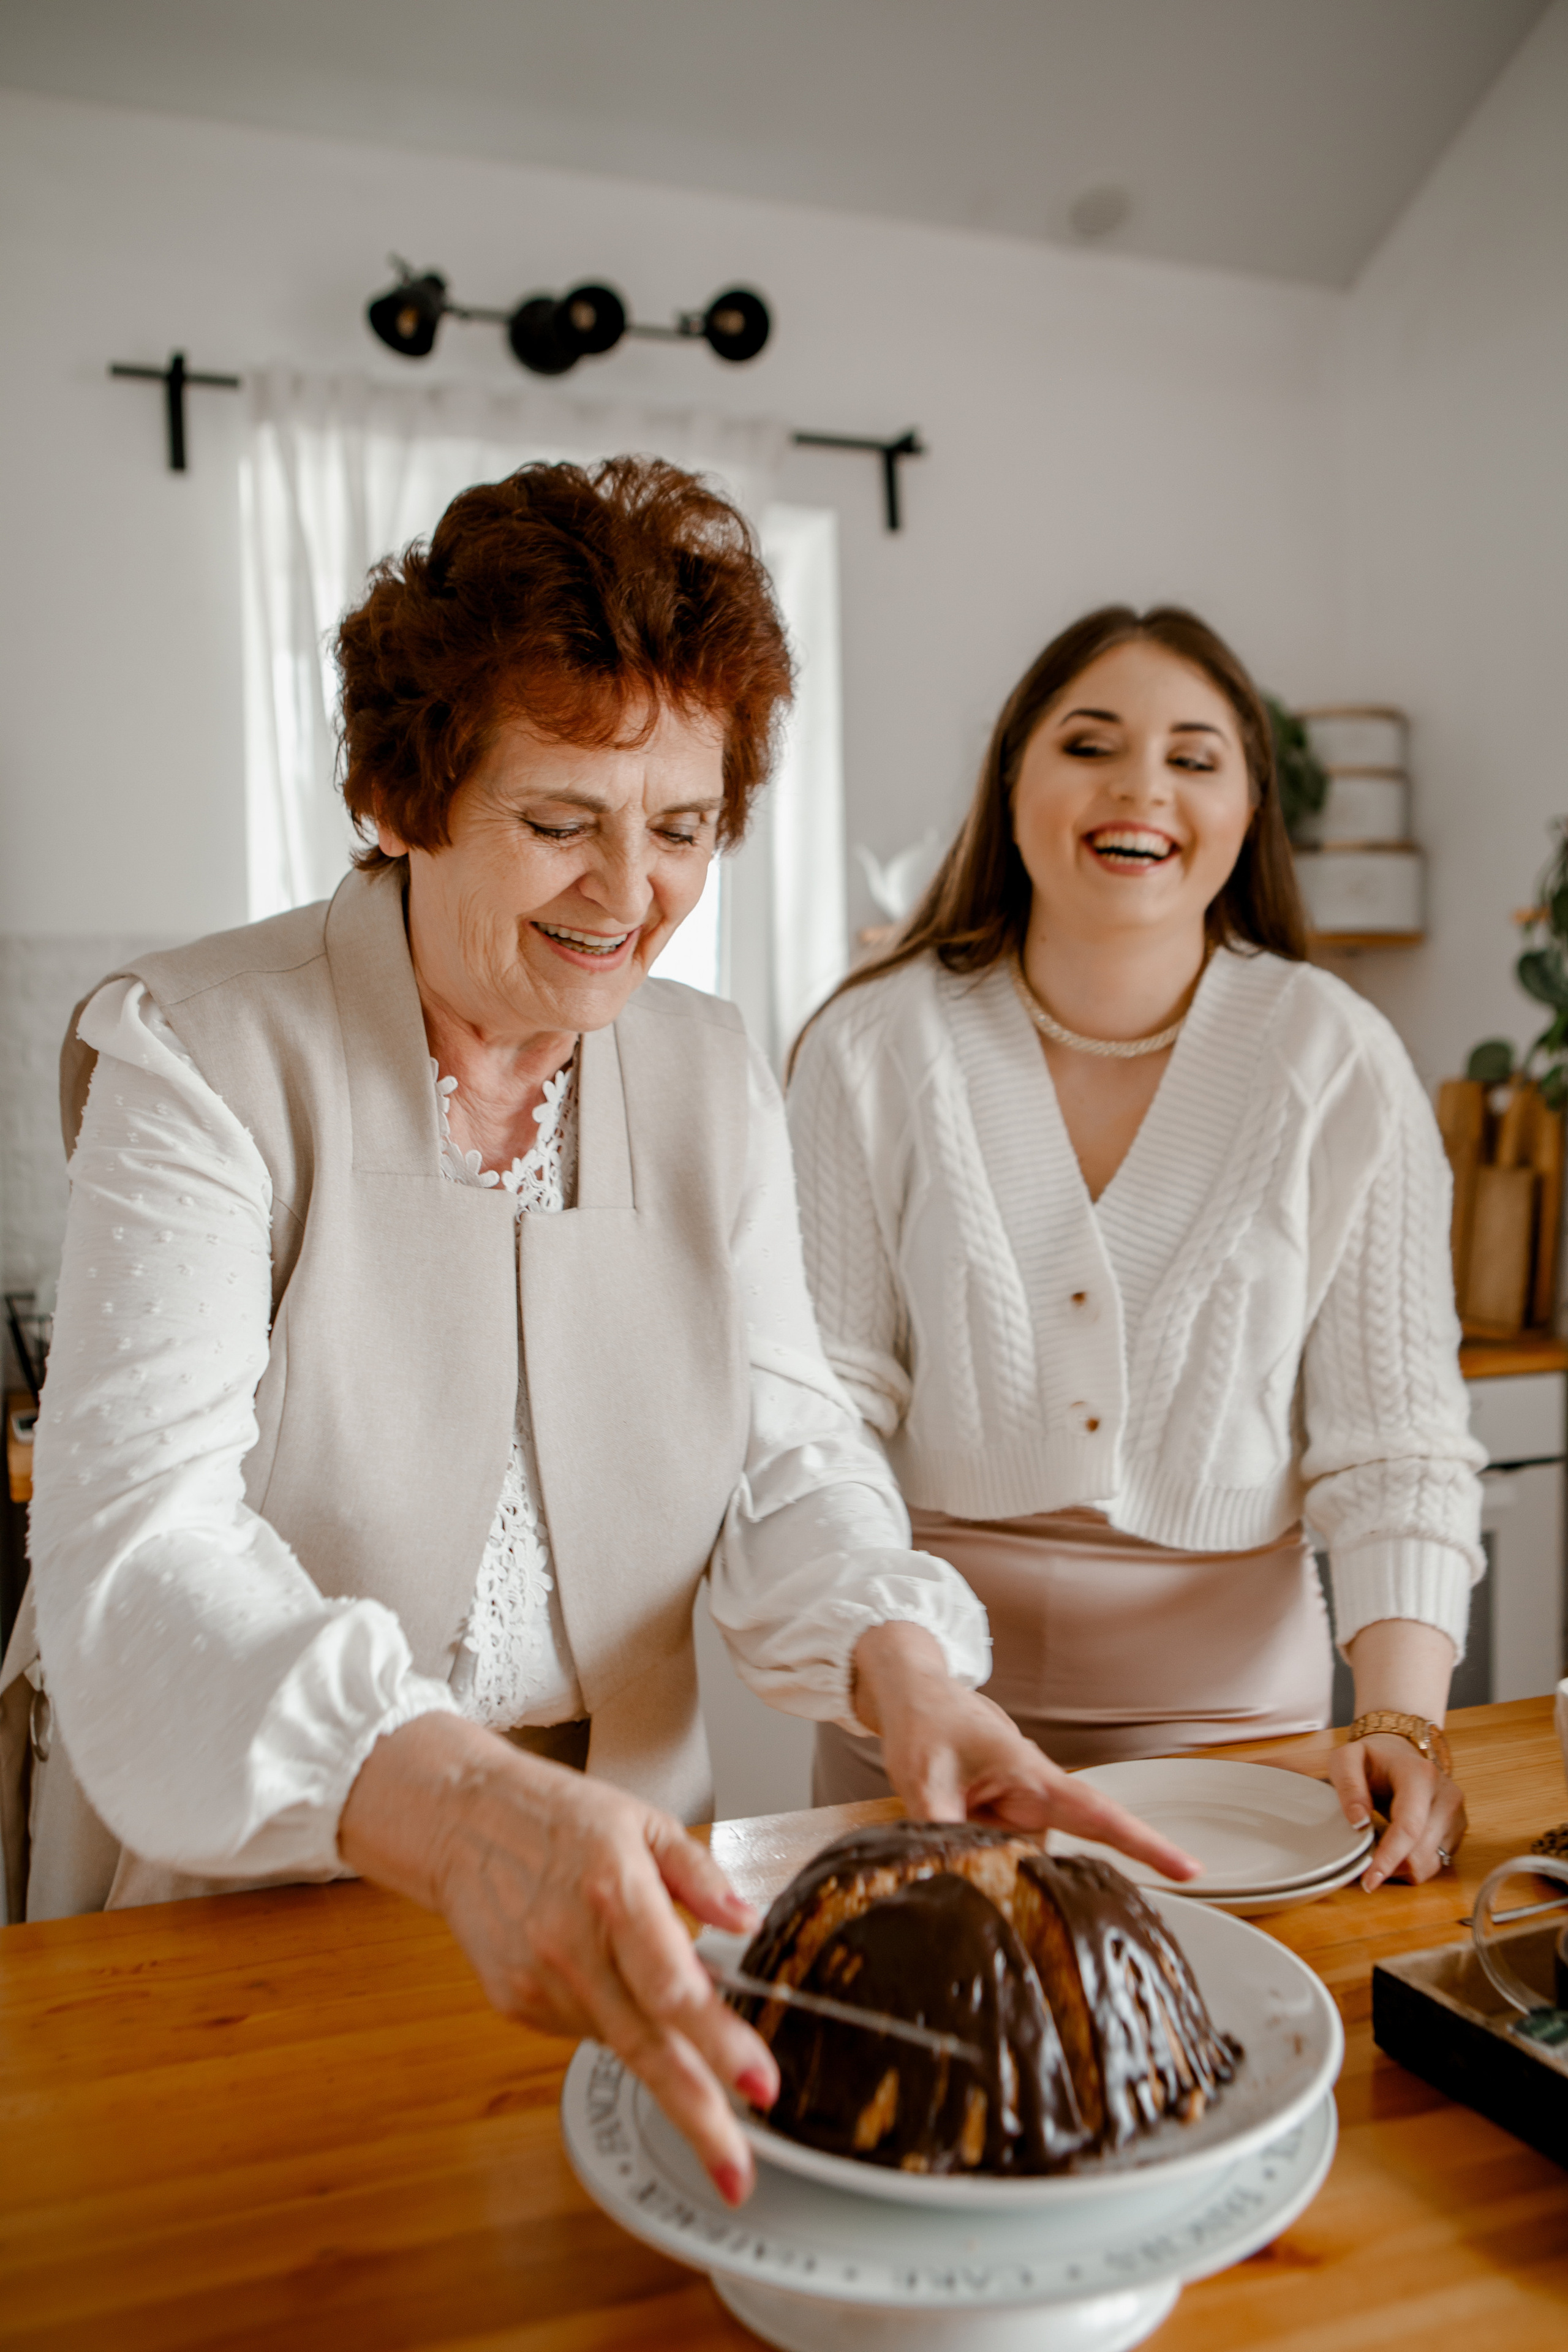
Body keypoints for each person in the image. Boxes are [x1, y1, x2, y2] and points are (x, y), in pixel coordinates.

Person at [0, 472, 1191, 2209]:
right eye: (562, 819)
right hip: (221, 1907)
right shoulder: (200, 1054)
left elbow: (784, 1457)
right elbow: (139, 1552)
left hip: (619, 1902)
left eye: (684, 827)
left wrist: (902, 1665)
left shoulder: (709, 1072)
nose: (632, 892)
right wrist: (455, 1806)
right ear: (402, 798)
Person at [789, 603, 1483, 1893]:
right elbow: (815, 1419)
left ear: (1247, 811)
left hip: (1241, 1745)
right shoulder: (870, 1049)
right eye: (1090, 744)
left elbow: (1396, 1446)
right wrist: (903, 1677)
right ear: (1011, 783)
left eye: (1192, 758)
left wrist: (1401, 1718)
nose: (1141, 789)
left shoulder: (1338, 1059)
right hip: (920, 1720)